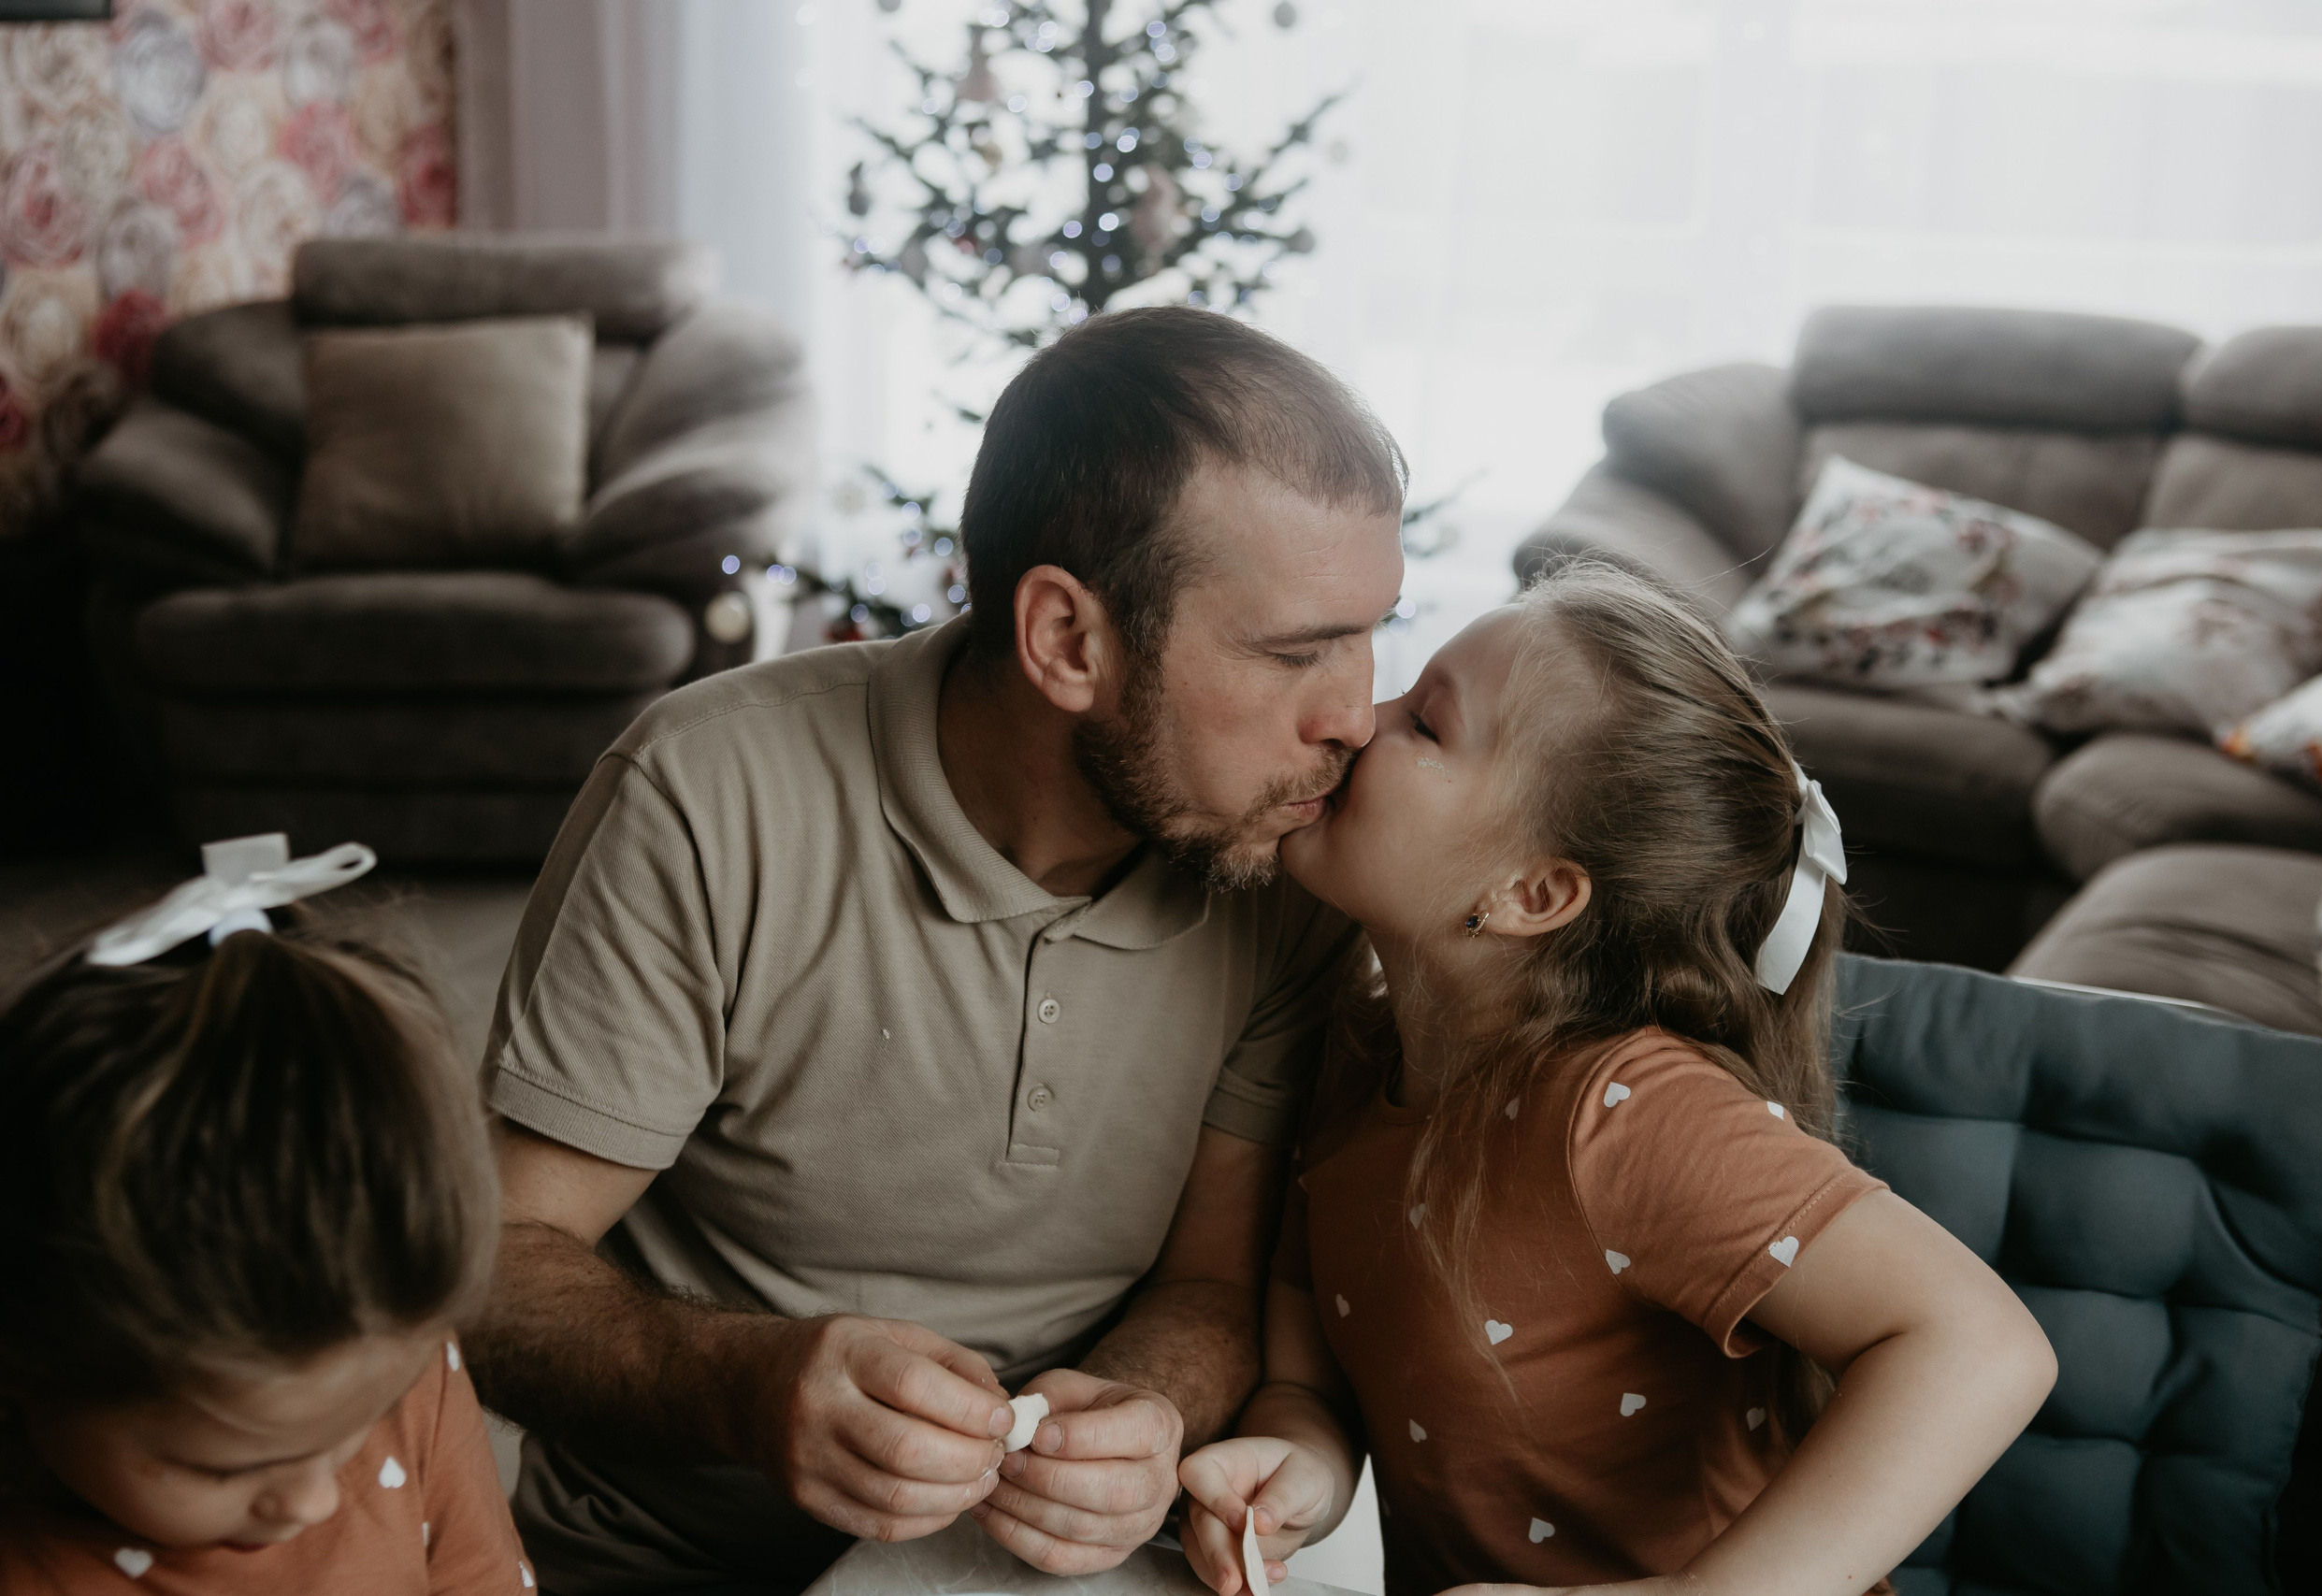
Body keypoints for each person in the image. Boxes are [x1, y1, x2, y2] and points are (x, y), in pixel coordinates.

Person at [466, 307, 1408, 1591]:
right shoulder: (704, 794)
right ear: (1068, 639)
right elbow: (493, 1267)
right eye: (1297, 651)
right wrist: (749, 1385)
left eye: (1372, 633)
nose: (1356, 714)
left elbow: (1210, 1280)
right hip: (682, 1556)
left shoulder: (1276, 852)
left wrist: (1143, 1411)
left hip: (1048, 1567)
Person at [1176, 561, 2058, 1596]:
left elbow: (1981, 1345)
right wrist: (1301, 1469)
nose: (1359, 719)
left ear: (1529, 892)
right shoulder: (1353, 1062)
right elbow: (1307, 1374)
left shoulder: (1626, 1111)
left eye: (1425, 721)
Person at [0, 853, 528, 1594]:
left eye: (355, 1429)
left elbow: (479, 1576)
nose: (311, 1501)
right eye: (222, 1466)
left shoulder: (397, 1357)